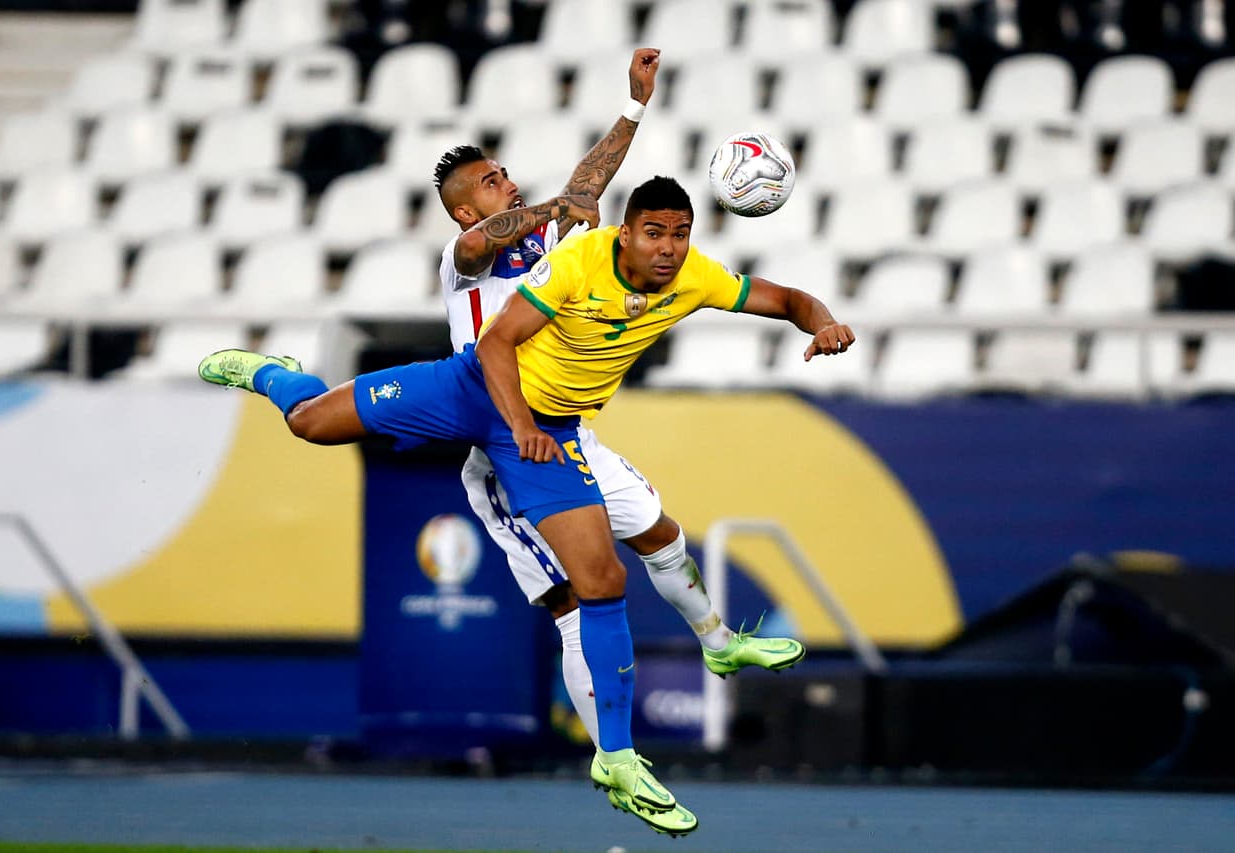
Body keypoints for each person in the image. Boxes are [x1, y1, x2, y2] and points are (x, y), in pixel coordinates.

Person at [196, 176, 855, 836]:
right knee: (311, 421)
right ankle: (271, 373)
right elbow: (493, 344)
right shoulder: (575, 260)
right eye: (655, 232)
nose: (669, 247)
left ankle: (622, 753)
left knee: (607, 577)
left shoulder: (696, 278)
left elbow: (789, 297)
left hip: (549, 430)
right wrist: (520, 426)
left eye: (680, 234)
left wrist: (823, 323)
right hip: (475, 393)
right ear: (625, 232)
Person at [432, 47, 806, 763]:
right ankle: (615, 757)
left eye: (505, 172)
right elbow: (487, 241)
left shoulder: (544, 238)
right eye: (490, 180)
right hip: (508, 446)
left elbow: (589, 181)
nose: (506, 182)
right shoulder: (463, 258)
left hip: (569, 433)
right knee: (578, 603)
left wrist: (635, 104)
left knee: (662, 534)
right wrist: (552, 207)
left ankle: (719, 643)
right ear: (462, 207)